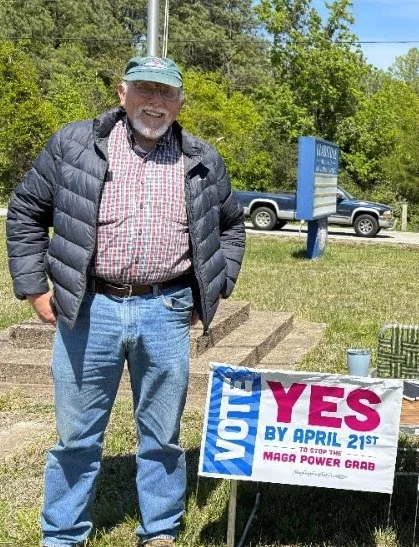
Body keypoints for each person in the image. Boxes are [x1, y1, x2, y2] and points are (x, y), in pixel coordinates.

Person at [5, 56, 246, 547]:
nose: (154, 103)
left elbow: (232, 227)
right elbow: (26, 211)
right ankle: (63, 533)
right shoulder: (74, 145)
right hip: (89, 307)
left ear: (179, 103)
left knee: (162, 435)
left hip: (167, 308)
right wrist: (33, 286)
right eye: (144, 89)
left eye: (166, 94)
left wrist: (213, 290)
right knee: (76, 437)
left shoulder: (201, 159)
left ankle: (158, 530)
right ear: (122, 92)